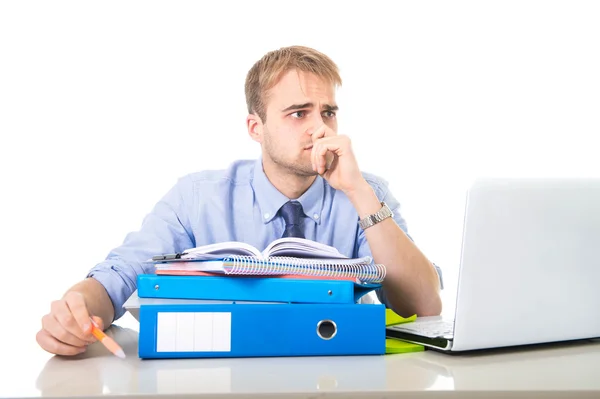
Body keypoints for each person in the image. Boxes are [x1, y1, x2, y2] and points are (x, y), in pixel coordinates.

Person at [36, 45, 443, 356]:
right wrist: (75, 311)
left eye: (329, 112)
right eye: (299, 113)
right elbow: (117, 277)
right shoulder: (199, 197)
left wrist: (358, 192)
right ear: (255, 127)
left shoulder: (367, 194)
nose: (320, 128)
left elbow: (423, 305)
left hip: (338, 374)